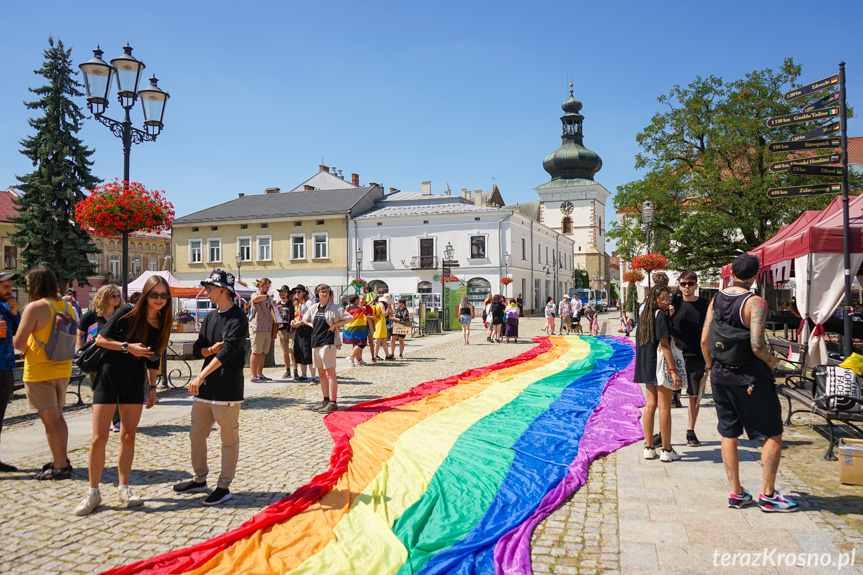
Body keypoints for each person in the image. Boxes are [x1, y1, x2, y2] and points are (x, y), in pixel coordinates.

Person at [701, 254, 798, 512]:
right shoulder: (755, 302)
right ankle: (768, 494)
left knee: (728, 433)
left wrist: (711, 367)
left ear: (732, 273)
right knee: (772, 431)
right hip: (749, 376)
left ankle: (736, 493)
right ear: (756, 275)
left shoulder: (715, 300)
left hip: (721, 374)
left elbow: (704, 340)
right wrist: (772, 361)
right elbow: (757, 345)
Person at [73, 275, 172, 515]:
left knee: (128, 436)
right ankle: (93, 492)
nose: (158, 299)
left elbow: (153, 357)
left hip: (134, 382)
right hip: (108, 376)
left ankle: (123, 488)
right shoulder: (128, 311)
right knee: (99, 437)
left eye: (163, 295)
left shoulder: (163, 322)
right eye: (154, 294)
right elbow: (101, 339)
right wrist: (129, 347)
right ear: (146, 294)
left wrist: (153, 388)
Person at [174, 269, 248, 506]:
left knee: (228, 440)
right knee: (196, 435)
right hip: (205, 389)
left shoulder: (239, 317)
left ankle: (224, 486)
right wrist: (209, 351)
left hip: (227, 388)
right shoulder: (210, 317)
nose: (206, 291)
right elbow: (199, 349)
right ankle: (199, 480)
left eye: (210, 287)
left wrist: (200, 375)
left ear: (223, 290)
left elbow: (228, 352)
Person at [13, 266, 74, 480]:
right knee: (58, 417)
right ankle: (62, 458)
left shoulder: (35, 307)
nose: (28, 288)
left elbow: (19, 342)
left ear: (36, 285)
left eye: (29, 285)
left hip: (40, 370)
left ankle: (60, 466)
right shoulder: (68, 306)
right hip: (63, 368)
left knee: (50, 420)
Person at [633, 285, 682, 462]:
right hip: (660, 366)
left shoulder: (645, 316)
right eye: (663, 299)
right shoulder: (660, 315)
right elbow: (665, 345)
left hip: (646, 364)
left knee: (650, 405)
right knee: (664, 407)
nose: (667, 301)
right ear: (655, 299)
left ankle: (649, 447)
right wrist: (674, 371)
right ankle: (667, 450)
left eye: (668, 298)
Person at [77, 284, 124, 433]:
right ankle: (100, 421)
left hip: (116, 357)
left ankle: (118, 421)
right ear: (104, 297)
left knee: (116, 388)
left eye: (118, 295)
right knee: (97, 389)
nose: (117, 298)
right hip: (96, 357)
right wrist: (80, 351)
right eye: (113, 296)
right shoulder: (92, 315)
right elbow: (80, 334)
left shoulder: (121, 314)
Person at [671, 271, 709, 447]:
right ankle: (663, 433)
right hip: (675, 355)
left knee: (694, 395)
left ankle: (690, 431)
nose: (687, 286)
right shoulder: (673, 304)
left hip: (696, 355)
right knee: (667, 397)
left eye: (690, 283)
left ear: (696, 285)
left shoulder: (704, 305)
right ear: (679, 284)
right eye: (684, 283)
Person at [301, 284, 352, 414]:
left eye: (326, 291)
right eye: (322, 292)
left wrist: (336, 325)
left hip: (328, 342)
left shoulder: (334, 308)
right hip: (316, 341)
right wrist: (311, 324)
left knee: (330, 372)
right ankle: (325, 400)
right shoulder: (314, 308)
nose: (324, 294)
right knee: (321, 373)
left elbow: (350, 318)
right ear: (317, 294)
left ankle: (333, 403)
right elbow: (304, 319)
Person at [0, 272, 20, 472]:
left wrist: (15, 315)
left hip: (6, 366)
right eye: (5, 286)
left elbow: (18, 332)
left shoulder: (7, 307)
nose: (9, 290)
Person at [248, 278, 275, 383]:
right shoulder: (255, 295)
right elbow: (255, 299)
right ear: (261, 286)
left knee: (263, 352)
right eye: (266, 286)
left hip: (267, 328)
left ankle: (260, 374)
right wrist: (267, 296)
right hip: (257, 327)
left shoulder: (268, 298)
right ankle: (253, 376)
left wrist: (276, 309)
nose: (268, 289)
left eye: (268, 287)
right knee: (255, 352)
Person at [291, 285, 314, 381]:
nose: (297, 293)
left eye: (299, 291)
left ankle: (313, 376)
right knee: (300, 351)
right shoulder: (297, 304)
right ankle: (303, 374)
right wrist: (293, 321)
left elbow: (312, 316)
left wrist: (300, 322)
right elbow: (297, 316)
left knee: (308, 352)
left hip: (307, 328)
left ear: (304, 292)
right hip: (299, 329)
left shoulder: (308, 303)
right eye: (295, 292)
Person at [275, 285, 296, 380]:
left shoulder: (291, 304)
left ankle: (295, 370)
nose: (282, 293)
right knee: (285, 351)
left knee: (292, 350)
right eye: (281, 292)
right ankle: (287, 370)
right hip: (281, 329)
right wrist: (277, 311)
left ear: (288, 293)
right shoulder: (278, 304)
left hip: (291, 329)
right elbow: (274, 317)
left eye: (284, 292)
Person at [343, 294, 369, 366]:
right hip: (357, 329)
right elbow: (361, 318)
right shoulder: (358, 309)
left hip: (348, 329)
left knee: (355, 344)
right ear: (356, 300)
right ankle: (351, 357)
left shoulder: (347, 309)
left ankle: (359, 360)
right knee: (361, 343)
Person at [372, 294, 390, 361]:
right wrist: (388, 307)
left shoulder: (377, 304)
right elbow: (385, 313)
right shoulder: (381, 304)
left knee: (382, 340)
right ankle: (376, 355)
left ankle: (386, 355)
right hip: (381, 322)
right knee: (379, 340)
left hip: (380, 322)